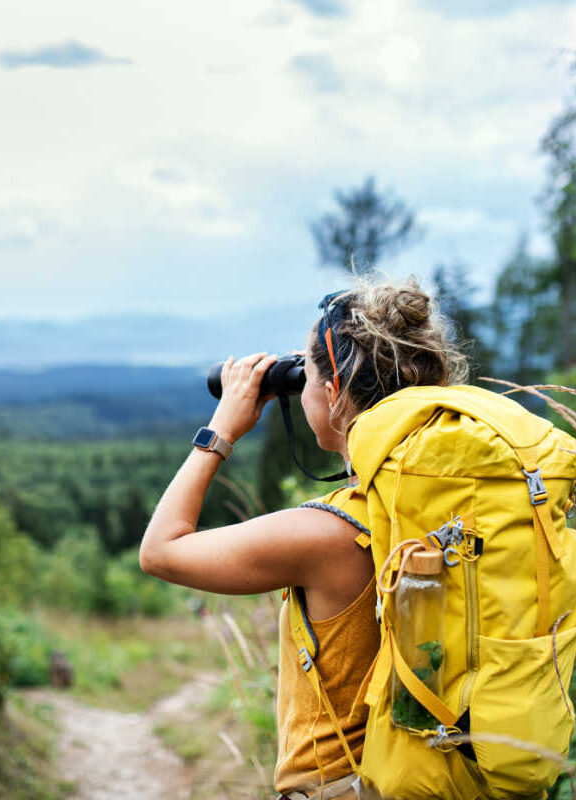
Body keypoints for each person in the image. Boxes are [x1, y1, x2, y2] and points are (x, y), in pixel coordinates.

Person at [139, 277, 468, 799]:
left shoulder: (328, 534)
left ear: (333, 394)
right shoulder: (463, 507)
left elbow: (159, 551)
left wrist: (219, 430)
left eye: (309, 376)